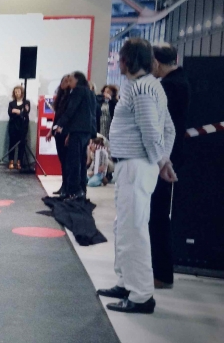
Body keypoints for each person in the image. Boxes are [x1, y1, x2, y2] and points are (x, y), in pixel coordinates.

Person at [97, 38, 176, 314]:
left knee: (134, 230)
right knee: (125, 227)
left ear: (127, 60)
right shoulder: (149, 86)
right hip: (134, 165)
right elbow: (169, 129)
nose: (117, 62)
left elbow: (152, 132)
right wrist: (162, 160)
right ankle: (127, 283)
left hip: (136, 165)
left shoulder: (142, 88)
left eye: (120, 58)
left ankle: (141, 295)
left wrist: (161, 161)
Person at [149, 43, 191, 289]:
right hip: (168, 157)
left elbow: (163, 128)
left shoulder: (169, 87)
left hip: (164, 160)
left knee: (157, 216)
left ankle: (162, 274)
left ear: (156, 62)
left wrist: (162, 159)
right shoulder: (180, 82)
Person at [52, 71, 96, 201]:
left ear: (77, 80)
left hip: (77, 131)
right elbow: (94, 113)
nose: (69, 82)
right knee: (81, 161)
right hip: (87, 131)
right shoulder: (90, 93)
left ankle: (74, 191)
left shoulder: (77, 91)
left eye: (71, 80)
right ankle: (81, 190)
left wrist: (59, 124)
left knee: (74, 162)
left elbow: (71, 110)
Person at [47, 75, 72, 196]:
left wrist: (69, 134)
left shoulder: (71, 98)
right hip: (58, 132)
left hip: (66, 132)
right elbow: (57, 117)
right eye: (63, 81)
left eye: (67, 81)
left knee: (67, 161)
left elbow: (70, 118)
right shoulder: (60, 98)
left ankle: (67, 187)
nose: (64, 83)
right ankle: (64, 186)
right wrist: (51, 131)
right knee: (62, 160)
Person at [6, 85, 30, 170]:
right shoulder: (11, 103)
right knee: (12, 143)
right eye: (15, 92)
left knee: (21, 144)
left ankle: (19, 162)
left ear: (22, 92)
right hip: (13, 126)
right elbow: (10, 113)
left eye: (18, 91)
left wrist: (15, 111)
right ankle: (11, 161)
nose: (17, 93)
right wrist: (20, 112)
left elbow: (25, 113)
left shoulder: (26, 102)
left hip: (23, 126)